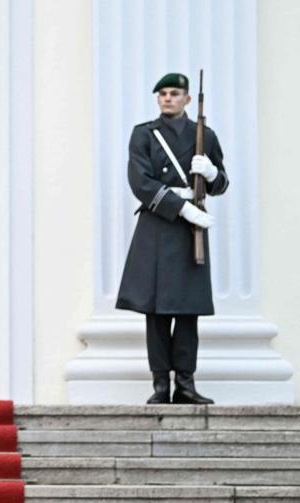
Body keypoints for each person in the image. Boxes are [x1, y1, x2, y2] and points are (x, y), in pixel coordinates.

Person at [116, 72, 229, 405]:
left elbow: (221, 183)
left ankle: (185, 382)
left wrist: (210, 173)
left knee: (187, 309)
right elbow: (140, 181)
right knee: (156, 312)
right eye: (163, 93)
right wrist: (181, 207)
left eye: (174, 93)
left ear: (187, 99)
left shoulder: (204, 136)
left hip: (190, 231)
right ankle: (160, 385)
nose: (167, 98)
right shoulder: (144, 135)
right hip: (159, 225)